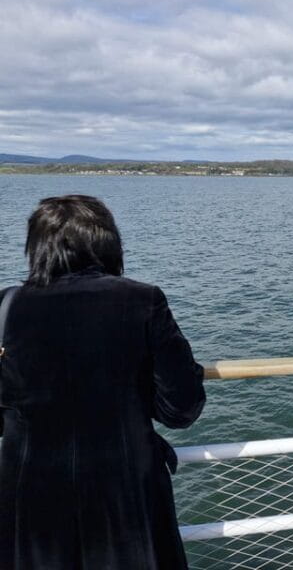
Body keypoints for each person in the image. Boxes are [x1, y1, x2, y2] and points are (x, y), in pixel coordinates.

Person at [0, 195, 206, 569]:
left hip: (33, 499)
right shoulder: (142, 300)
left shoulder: (6, 307)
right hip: (125, 496)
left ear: (37, 247)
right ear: (108, 243)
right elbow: (181, 409)